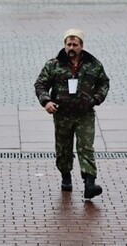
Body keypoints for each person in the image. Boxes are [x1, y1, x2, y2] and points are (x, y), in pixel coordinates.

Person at [34, 29, 109, 199]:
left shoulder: (93, 65)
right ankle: (66, 175)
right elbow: (40, 84)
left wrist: (96, 99)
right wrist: (46, 102)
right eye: (68, 44)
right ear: (64, 45)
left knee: (86, 148)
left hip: (84, 114)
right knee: (63, 148)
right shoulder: (53, 65)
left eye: (75, 44)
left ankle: (89, 183)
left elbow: (104, 83)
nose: (71, 48)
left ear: (82, 46)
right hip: (62, 114)